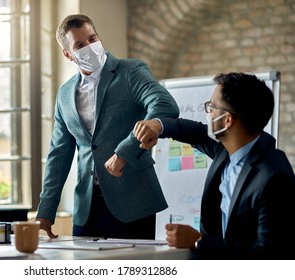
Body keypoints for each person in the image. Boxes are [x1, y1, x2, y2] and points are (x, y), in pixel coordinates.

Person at [35, 14, 179, 239]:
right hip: (86, 208)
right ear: (67, 54)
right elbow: (59, 155)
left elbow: (164, 105)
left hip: (133, 202)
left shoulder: (130, 71)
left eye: (92, 39)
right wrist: (45, 211)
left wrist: (125, 151)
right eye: (80, 45)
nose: (90, 47)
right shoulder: (64, 94)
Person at [133, 72, 295, 259]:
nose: (208, 113)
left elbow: (270, 257)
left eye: (211, 107)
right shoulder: (227, 149)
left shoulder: (274, 177)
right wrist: (158, 125)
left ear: (227, 120)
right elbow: (195, 133)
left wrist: (199, 241)